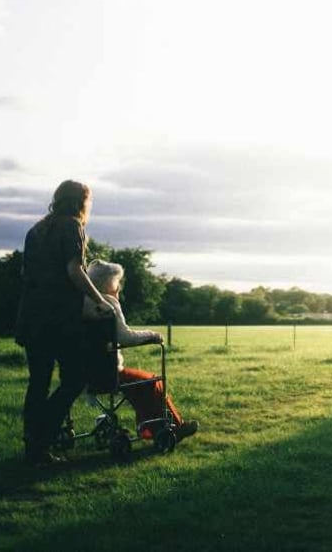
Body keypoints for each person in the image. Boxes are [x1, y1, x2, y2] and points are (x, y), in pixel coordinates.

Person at [16, 180, 116, 466]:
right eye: (89, 200)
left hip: (31, 316)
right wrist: (100, 299)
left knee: (38, 383)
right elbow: (74, 270)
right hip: (58, 319)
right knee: (75, 379)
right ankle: (42, 437)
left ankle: (33, 446)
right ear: (80, 202)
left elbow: (26, 272)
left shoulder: (36, 230)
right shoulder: (72, 226)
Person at [83, 260, 199, 442]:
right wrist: (152, 335)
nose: (119, 285)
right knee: (152, 382)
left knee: (140, 383)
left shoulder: (82, 302)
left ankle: (153, 428)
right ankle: (173, 427)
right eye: (116, 281)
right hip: (108, 372)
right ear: (107, 283)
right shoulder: (108, 303)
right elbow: (126, 337)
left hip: (84, 372)